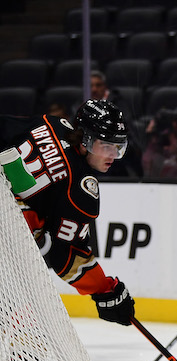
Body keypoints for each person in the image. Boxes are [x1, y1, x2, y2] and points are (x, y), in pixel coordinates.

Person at [0, 99, 135, 326]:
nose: (112, 155)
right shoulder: (80, 188)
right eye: (105, 146)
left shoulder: (50, 123)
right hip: (7, 248)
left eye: (118, 147)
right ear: (85, 140)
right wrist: (104, 290)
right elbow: (66, 256)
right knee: (36, 238)